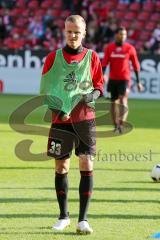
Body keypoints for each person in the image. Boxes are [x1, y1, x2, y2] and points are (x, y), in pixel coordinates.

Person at [40, 15, 104, 234]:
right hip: (60, 121)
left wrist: (91, 96)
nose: (73, 35)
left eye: (77, 31)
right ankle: (63, 216)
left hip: (85, 120)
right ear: (64, 31)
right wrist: (59, 111)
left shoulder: (93, 57)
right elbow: (46, 92)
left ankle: (83, 220)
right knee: (61, 166)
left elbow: (99, 87)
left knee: (86, 164)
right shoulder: (52, 58)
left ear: (84, 32)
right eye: (69, 31)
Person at [102, 26, 143, 133]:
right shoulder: (109, 48)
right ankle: (116, 126)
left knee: (123, 100)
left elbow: (136, 65)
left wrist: (138, 81)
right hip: (112, 79)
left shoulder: (130, 48)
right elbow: (105, 63)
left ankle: (120, 124)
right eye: (121, 34)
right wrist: (102, 76)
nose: (123, 36)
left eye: (124, 34)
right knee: (113, 103)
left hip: (125, 79)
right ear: (116, 35)